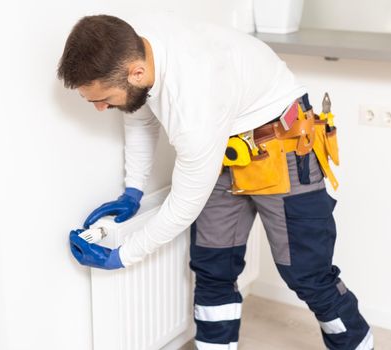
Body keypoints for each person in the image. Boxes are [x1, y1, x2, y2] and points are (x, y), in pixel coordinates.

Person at [58, 14, 373, 350]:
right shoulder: (136, 47)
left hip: (283, 146)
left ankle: (356, 344)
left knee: (308, 274)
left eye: (102, 98)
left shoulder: (193, 104)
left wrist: (122, 256)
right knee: (213, 269)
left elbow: (183, 207)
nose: (100, 108)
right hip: (226, 146)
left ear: (136, 72)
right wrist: (134, 189)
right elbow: (138, 114)